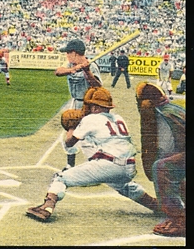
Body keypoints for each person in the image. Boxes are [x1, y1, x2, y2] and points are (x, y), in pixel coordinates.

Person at [26, 87, 159, 222]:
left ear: (95, 108)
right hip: (129, 166)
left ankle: (47, 207)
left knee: (60, 178)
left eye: (89, 106)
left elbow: (70, 142)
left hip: (110, 165)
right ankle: (157, 205)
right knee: (124, 186)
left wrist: (72, 127)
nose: (86, 109)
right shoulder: (119, 118)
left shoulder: (91, 119)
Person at [135, 82, 185, 237]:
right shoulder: (172, 108)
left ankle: (179, 221)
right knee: (171, 167)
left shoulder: (162, 113)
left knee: (162, 167)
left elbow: (169, 148)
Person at [55, 39, 102, 169]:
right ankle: (70, 165)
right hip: (75, 103)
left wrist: (87, 72)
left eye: (68, 53)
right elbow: (58, 72)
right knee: (69, 136)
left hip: (89, 106)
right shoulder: (70, 65)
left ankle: (96, 166)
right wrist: (73, 69)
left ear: (75, 53)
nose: (67, 55)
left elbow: (99, 87)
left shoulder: (92, 66)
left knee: (87, 138)